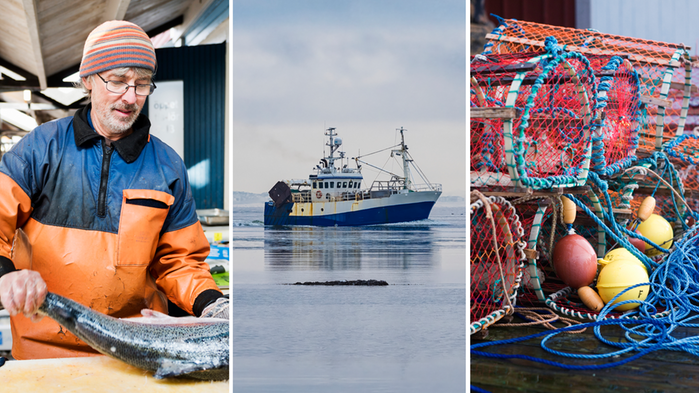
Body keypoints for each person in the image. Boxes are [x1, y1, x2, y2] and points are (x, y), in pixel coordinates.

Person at [0, 20, 228, 360]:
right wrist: (6, 275)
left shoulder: (167, 167)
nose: (131, 97)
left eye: (142, 84)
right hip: (43, 353)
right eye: (118, 81)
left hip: (133, 352)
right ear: (89, 80)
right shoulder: (40, 149)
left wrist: (214, 304)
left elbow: (180, 262)